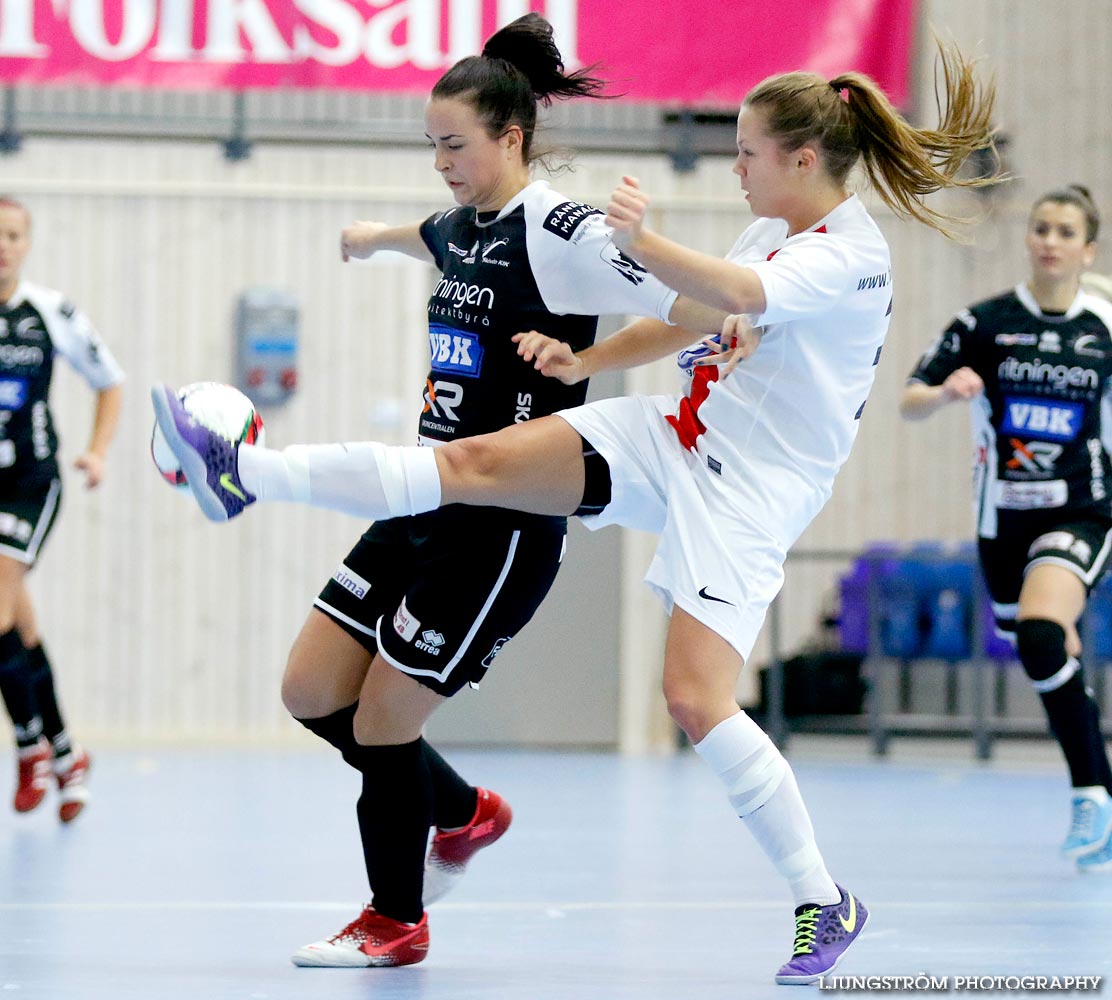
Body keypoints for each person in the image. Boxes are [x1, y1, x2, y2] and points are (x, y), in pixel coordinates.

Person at [153, 45, 997, 983]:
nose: (736, 166)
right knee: (467, 463)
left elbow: (738, 296)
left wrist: (640, 241)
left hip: (749, 493)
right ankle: (247, 472)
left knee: (694, 698)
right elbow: (693, 319)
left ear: (804, 160)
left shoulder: (849, 256)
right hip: (670, 436)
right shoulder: (770, 234)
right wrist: (582, 365)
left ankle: (821, 898)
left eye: (748, 152)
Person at [182, 15, 727, 970]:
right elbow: (424, 235)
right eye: (429, 144)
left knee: (385, 722)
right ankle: (465, 810)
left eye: (453, 144)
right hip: (422, 497)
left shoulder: (567, 232)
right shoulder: (458, 221)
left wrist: (590, 355)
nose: (439, 161)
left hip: (504, 522)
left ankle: (396, 921)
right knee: (312, 693)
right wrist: (367, 239)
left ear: (509, 136)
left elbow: (691, 313)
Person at [901, 184, 1112, 873]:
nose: (1049, 240)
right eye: (1041, 227)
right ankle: (1097, 784)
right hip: (1003, 522)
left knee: (1048, 630)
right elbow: (909, 398)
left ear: (1087, 248)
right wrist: (944, 393)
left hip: (1084, 508)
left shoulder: (1102, 328)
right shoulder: (985, 323)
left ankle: (1092, 791)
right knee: (1040, 652)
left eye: (1065, 231)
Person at [0, 196, 124, 823]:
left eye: (13, 235)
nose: (2, 245)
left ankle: (29, 747)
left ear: (26, 244)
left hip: (30, 483)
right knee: (18, 630)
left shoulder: (50, 313)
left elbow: (110, 380)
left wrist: (97, 452)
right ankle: (66, 751)